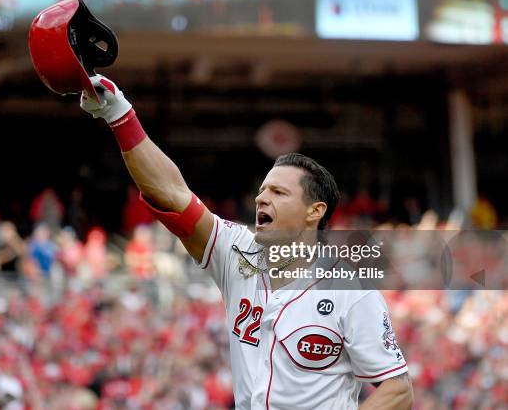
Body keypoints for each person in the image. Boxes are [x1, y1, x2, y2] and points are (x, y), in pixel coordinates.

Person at [79, 74, 413, 409]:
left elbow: (397, 390)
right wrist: (120, 114)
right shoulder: (237, 250)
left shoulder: (351, 292)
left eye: (278, 192)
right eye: (262, 190)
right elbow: (169, 192)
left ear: (315, 212)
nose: (261, 199)